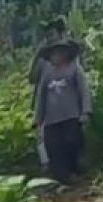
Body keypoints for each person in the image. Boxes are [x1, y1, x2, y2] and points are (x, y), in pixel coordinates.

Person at [35, 42, 93, 185]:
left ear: (66, 54)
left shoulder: (74, 69)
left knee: (72, 142)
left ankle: (74, 170)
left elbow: (83, 91)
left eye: (60, 53)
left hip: (71, 116)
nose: (57, 56)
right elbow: (41, 96)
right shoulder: (47, 73)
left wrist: (86, 111)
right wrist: (38, 118)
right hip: (51, 119)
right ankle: (61, 177)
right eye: (54, 54)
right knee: (54, 147)